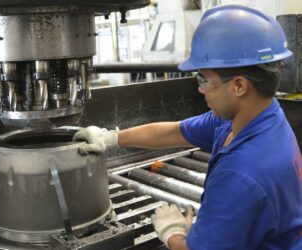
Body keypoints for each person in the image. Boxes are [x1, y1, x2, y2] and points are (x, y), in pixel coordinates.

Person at [73, 4, 302, 250]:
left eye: (204, 79)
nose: (200, 88)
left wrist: (173, 233)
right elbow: (175, 131)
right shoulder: (258, 116)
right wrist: (111, 138)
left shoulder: (240, 174)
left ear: (239, 86)